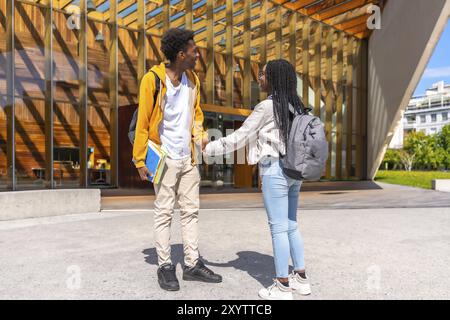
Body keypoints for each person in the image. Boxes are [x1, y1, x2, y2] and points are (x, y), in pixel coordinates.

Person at [204, 59, 311, 300]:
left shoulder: (266, 107)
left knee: (278, 229)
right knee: (291, 225)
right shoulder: (298, 107)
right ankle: (301, 279)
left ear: (273, 78)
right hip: (295, 172)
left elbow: (238, 138)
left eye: (262, 75)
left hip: (275, 170)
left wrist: (208, 148)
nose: (259, 79)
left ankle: (283, 285)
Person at [133, 28, 222, 291]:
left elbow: (196, 115)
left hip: (188, 159)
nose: (197, 55)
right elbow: (143, 123)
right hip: (164, 159)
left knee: (190, 212)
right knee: (163, 213)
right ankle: (165, 266)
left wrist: (201, 135)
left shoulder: (192, 79)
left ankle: (192, 264)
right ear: (181, 54)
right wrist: (140, 160)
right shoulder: (153, 80)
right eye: (194, 51)